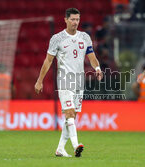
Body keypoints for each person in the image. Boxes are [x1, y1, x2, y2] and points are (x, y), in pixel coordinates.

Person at [34, 8, 103, 157]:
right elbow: (48, 61)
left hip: (79, 81)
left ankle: (60, 149)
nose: (75, 22)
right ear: (65, 19)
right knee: (70, 113)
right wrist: (40, 81)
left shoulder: (85, 37)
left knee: (72, 116)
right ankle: (76, 145)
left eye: (77, 19)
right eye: (72, 19)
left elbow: (91, 57)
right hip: (65, 80)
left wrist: (97, 67)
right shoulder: (57, 38)